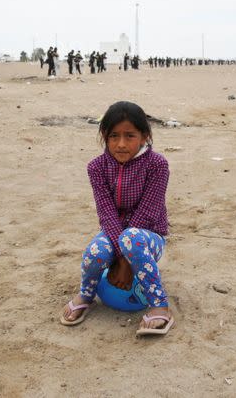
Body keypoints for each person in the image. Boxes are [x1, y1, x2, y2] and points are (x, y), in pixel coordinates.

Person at [60, 101, 174, 336]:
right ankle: (86, 294)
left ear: (144, 136)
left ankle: (160, 306)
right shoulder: (97, 167)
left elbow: (148, 212)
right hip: (114, 232)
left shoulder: (157, 165)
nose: (121, 144)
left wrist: (125, 262)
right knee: (96, 251)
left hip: (148, 236)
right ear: (104, 136)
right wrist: (120, 256)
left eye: (130, 135)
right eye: (114, 136)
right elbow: (106, 214)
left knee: (132, 238)